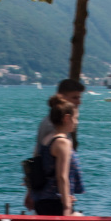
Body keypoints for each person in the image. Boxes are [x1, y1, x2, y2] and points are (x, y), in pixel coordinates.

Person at [24, 79, 85, 211]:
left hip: (50, 196)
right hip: (54, 198)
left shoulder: (56, 126)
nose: (79, 102)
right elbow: (40, 161)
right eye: (75, 97)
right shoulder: (52, 127)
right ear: (61, 97)